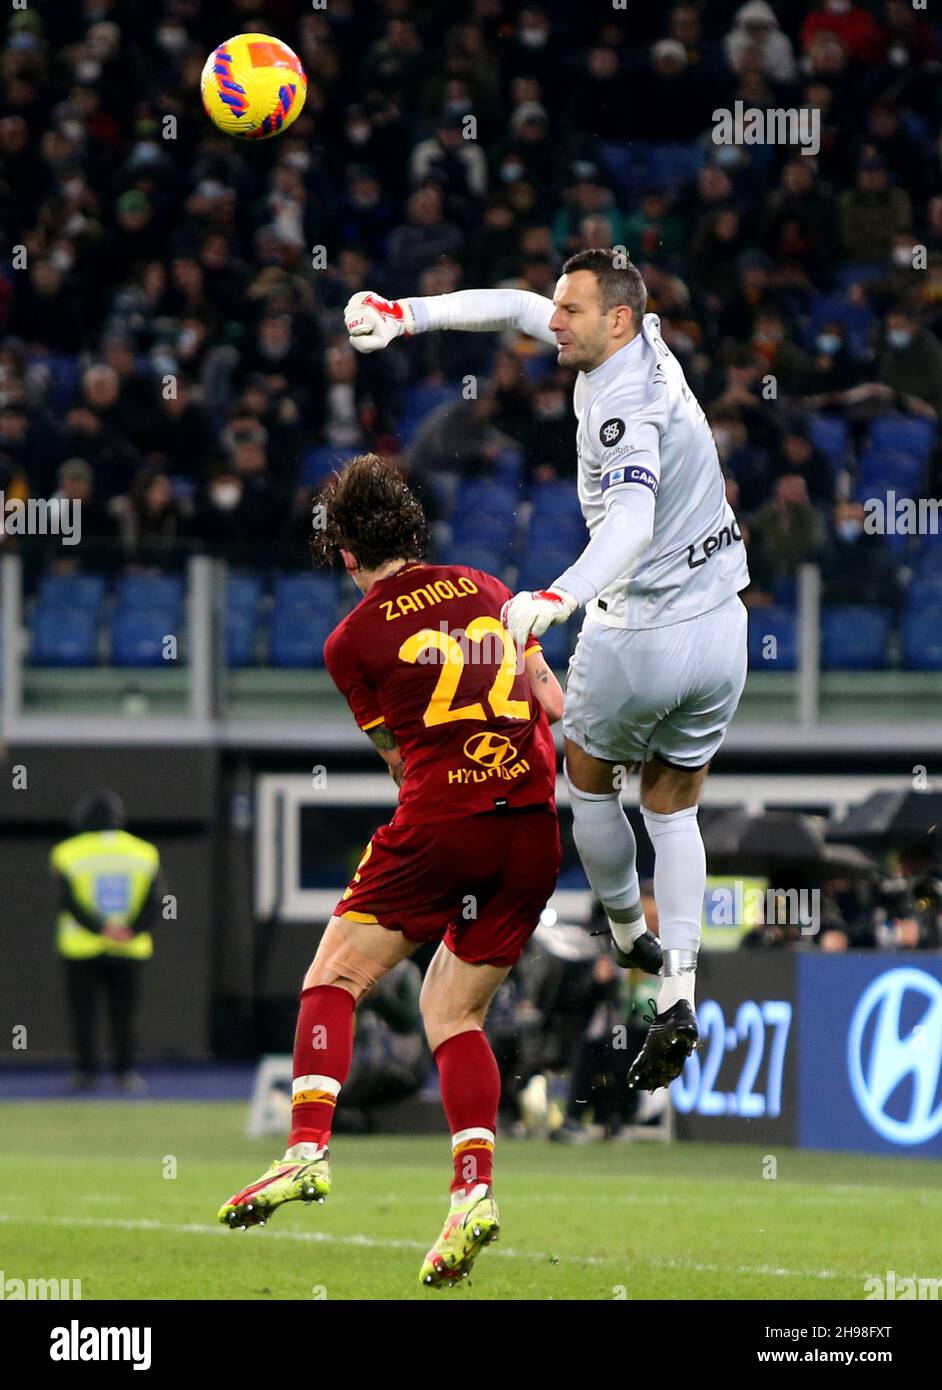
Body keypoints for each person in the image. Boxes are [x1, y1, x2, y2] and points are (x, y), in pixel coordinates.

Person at [344, 247, 751, 1093]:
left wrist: (559, 598)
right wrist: (406, 314)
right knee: (675, 807)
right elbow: (513, 304)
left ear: (617, 320)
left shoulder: (623, 411)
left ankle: (623, 928)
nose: (550, 320)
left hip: (640, 626)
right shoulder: (638, 343)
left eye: (570, 310)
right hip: (723, 624)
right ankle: (678, 984)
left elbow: (632, 521)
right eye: (559, 305)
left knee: (592, 783)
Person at [219, 453, 564, 1288]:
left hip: (446, 820)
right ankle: (472, 1192)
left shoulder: (351, 642)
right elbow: (555, 703)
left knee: (334, 972)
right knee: (453, 1013)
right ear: (415, 529)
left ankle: (305, 1149)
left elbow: (403, 770)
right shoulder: (487, 587)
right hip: (534, 826)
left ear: (343, 554)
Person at [51, 790, 162, 1093]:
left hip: (81, 949)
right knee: (124, 1014)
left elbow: (67, 901)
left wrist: (101, 929)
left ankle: (85, 1072)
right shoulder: (144, 852)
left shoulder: (67, 852)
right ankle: (125, 1072)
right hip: (129, 948)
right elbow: (156, 901)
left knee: (83, 1014)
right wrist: (130, 930)